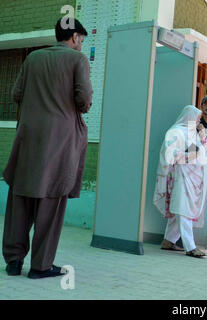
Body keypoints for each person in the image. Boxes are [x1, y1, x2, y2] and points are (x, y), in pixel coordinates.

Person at [2, 18, 92, 279]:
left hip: (28, 140)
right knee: (51, 201)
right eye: (81, 40)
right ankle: (40, 266)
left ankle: (14, 261)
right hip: (60, 142)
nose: (81, 44)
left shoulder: (33, 59)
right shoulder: (78, 60)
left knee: (20, 199)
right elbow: (84, 99)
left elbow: (16, 94)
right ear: (74, 37)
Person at [153, 105, 207, 258]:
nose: (199, 121)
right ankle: (190, 247)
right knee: (183, 209)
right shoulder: (176, 132)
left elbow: (205, 151)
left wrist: (203, 136)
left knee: (179, 209)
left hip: (193, 178)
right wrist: (187, 155)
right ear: (190, 117)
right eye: (197, 118)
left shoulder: (194, 133)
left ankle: (169, 241)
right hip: (180, 176)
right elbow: (168, 154)